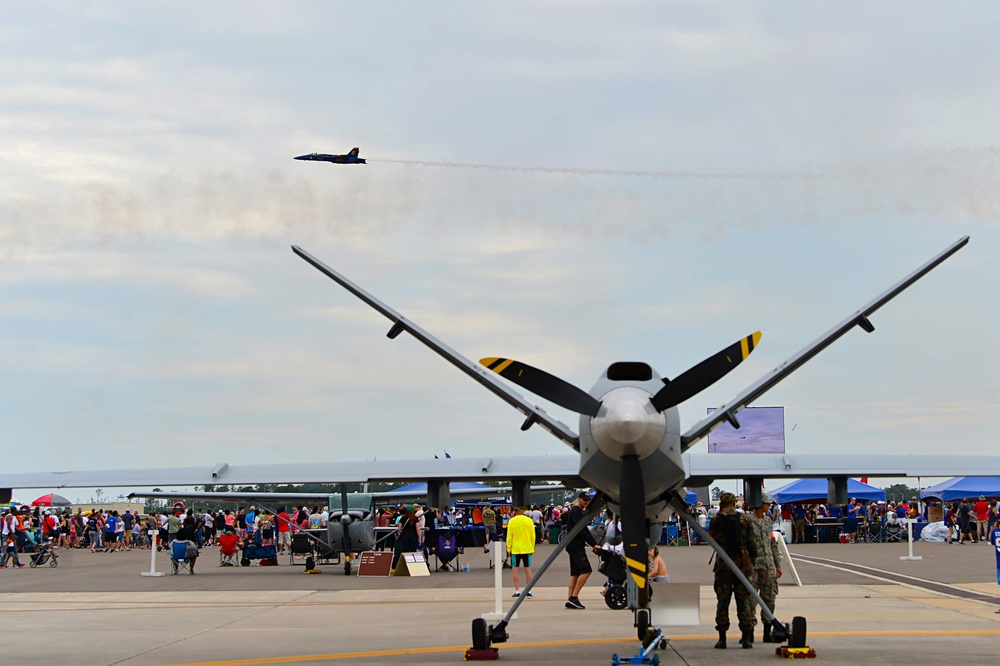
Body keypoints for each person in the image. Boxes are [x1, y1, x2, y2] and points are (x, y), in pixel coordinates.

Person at [709, 492, 759, 650]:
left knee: (723, 601)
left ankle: (722, 638)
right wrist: (751, 559)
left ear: (722, 503)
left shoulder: (717, 519)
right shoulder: (744, 519)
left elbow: (713, 538)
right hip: (742, 564)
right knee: (743, 601)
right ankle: (746, 638)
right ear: (734, 503)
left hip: (724, 564)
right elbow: (752, 543)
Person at [749, 502, 783, 642]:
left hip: (768, 566)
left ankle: (767, 631)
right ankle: (748, 632)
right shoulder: (748, 521)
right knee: (750, 600)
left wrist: (777, 564)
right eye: (766, 504)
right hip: (753, 566)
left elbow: (772, 543)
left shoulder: (768, 520)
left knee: (769, 598)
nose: (768, 506)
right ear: (759, 504)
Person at [565, 491, 598, 610]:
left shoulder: (577, 512)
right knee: (586, 570)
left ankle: (570, 599)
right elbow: (582, 531)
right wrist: (594, 544)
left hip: (572, 545)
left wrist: (593, 544)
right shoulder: (576, 512)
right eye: (584, 500)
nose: (586, 502)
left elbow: (584, 530)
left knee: (575, 573)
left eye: (588, 500)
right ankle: (574, 597)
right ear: (579, 499)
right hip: (576, 546)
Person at [505, 507, 535, 598]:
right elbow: (532, 536)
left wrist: (508, 548)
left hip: (516, 549)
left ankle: (517, 590)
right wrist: (532, 547)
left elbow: (509, 536)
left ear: (514, 511)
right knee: (528, 569)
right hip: (527, 548)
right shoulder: (529, 520)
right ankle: (529, 590)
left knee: (515, 570)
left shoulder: (511, 521)